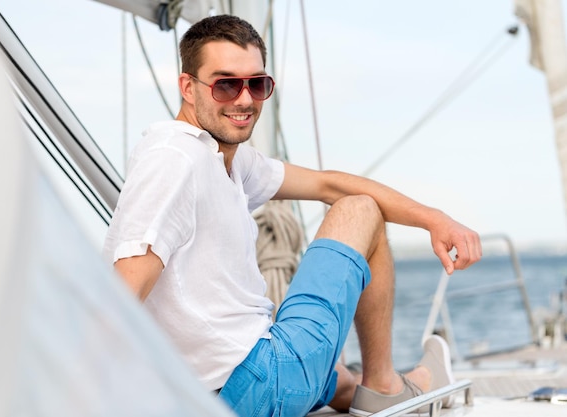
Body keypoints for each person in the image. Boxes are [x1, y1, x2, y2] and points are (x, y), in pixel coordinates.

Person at [103, 14, 482, 417]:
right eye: (226, 84)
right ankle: (387, 385)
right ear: (187, 87)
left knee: (342, 382)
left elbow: (326, 185)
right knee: (360, 209)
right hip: (251, 383)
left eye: (258, 84)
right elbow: (119, 297)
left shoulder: (224, 159)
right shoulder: (175, 160)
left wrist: (433, 218)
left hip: (228, 386)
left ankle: (395, 383)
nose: (244, 99)